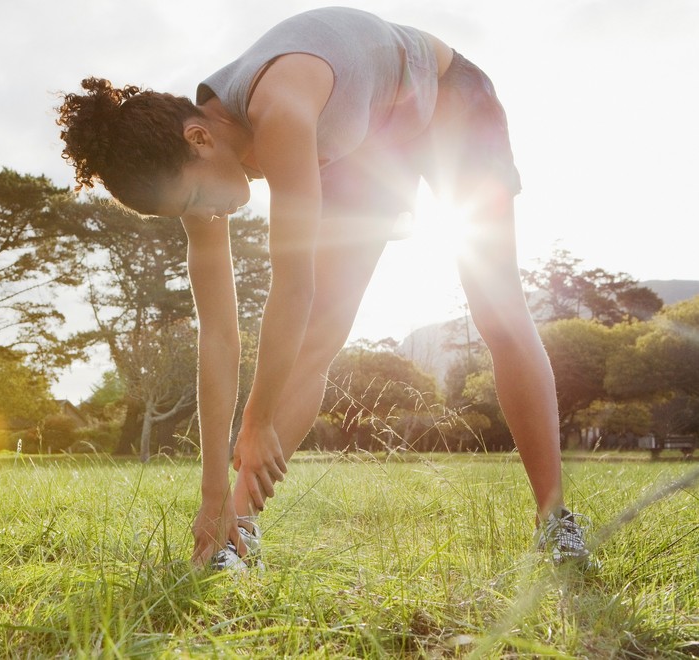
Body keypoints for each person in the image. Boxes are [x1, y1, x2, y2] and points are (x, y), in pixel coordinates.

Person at [56, 7, 593, 569]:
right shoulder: (193, 166)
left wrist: (258, 418)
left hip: (446, 99)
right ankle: (232, 538)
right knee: (314, 342)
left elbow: (293, 286)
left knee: (497, 311)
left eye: (195, 200)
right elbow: (218, 335)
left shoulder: (280, 108)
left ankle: (555, 522)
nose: (206, 214)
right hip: (365, 144)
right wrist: (211, 493)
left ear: (199, 137)